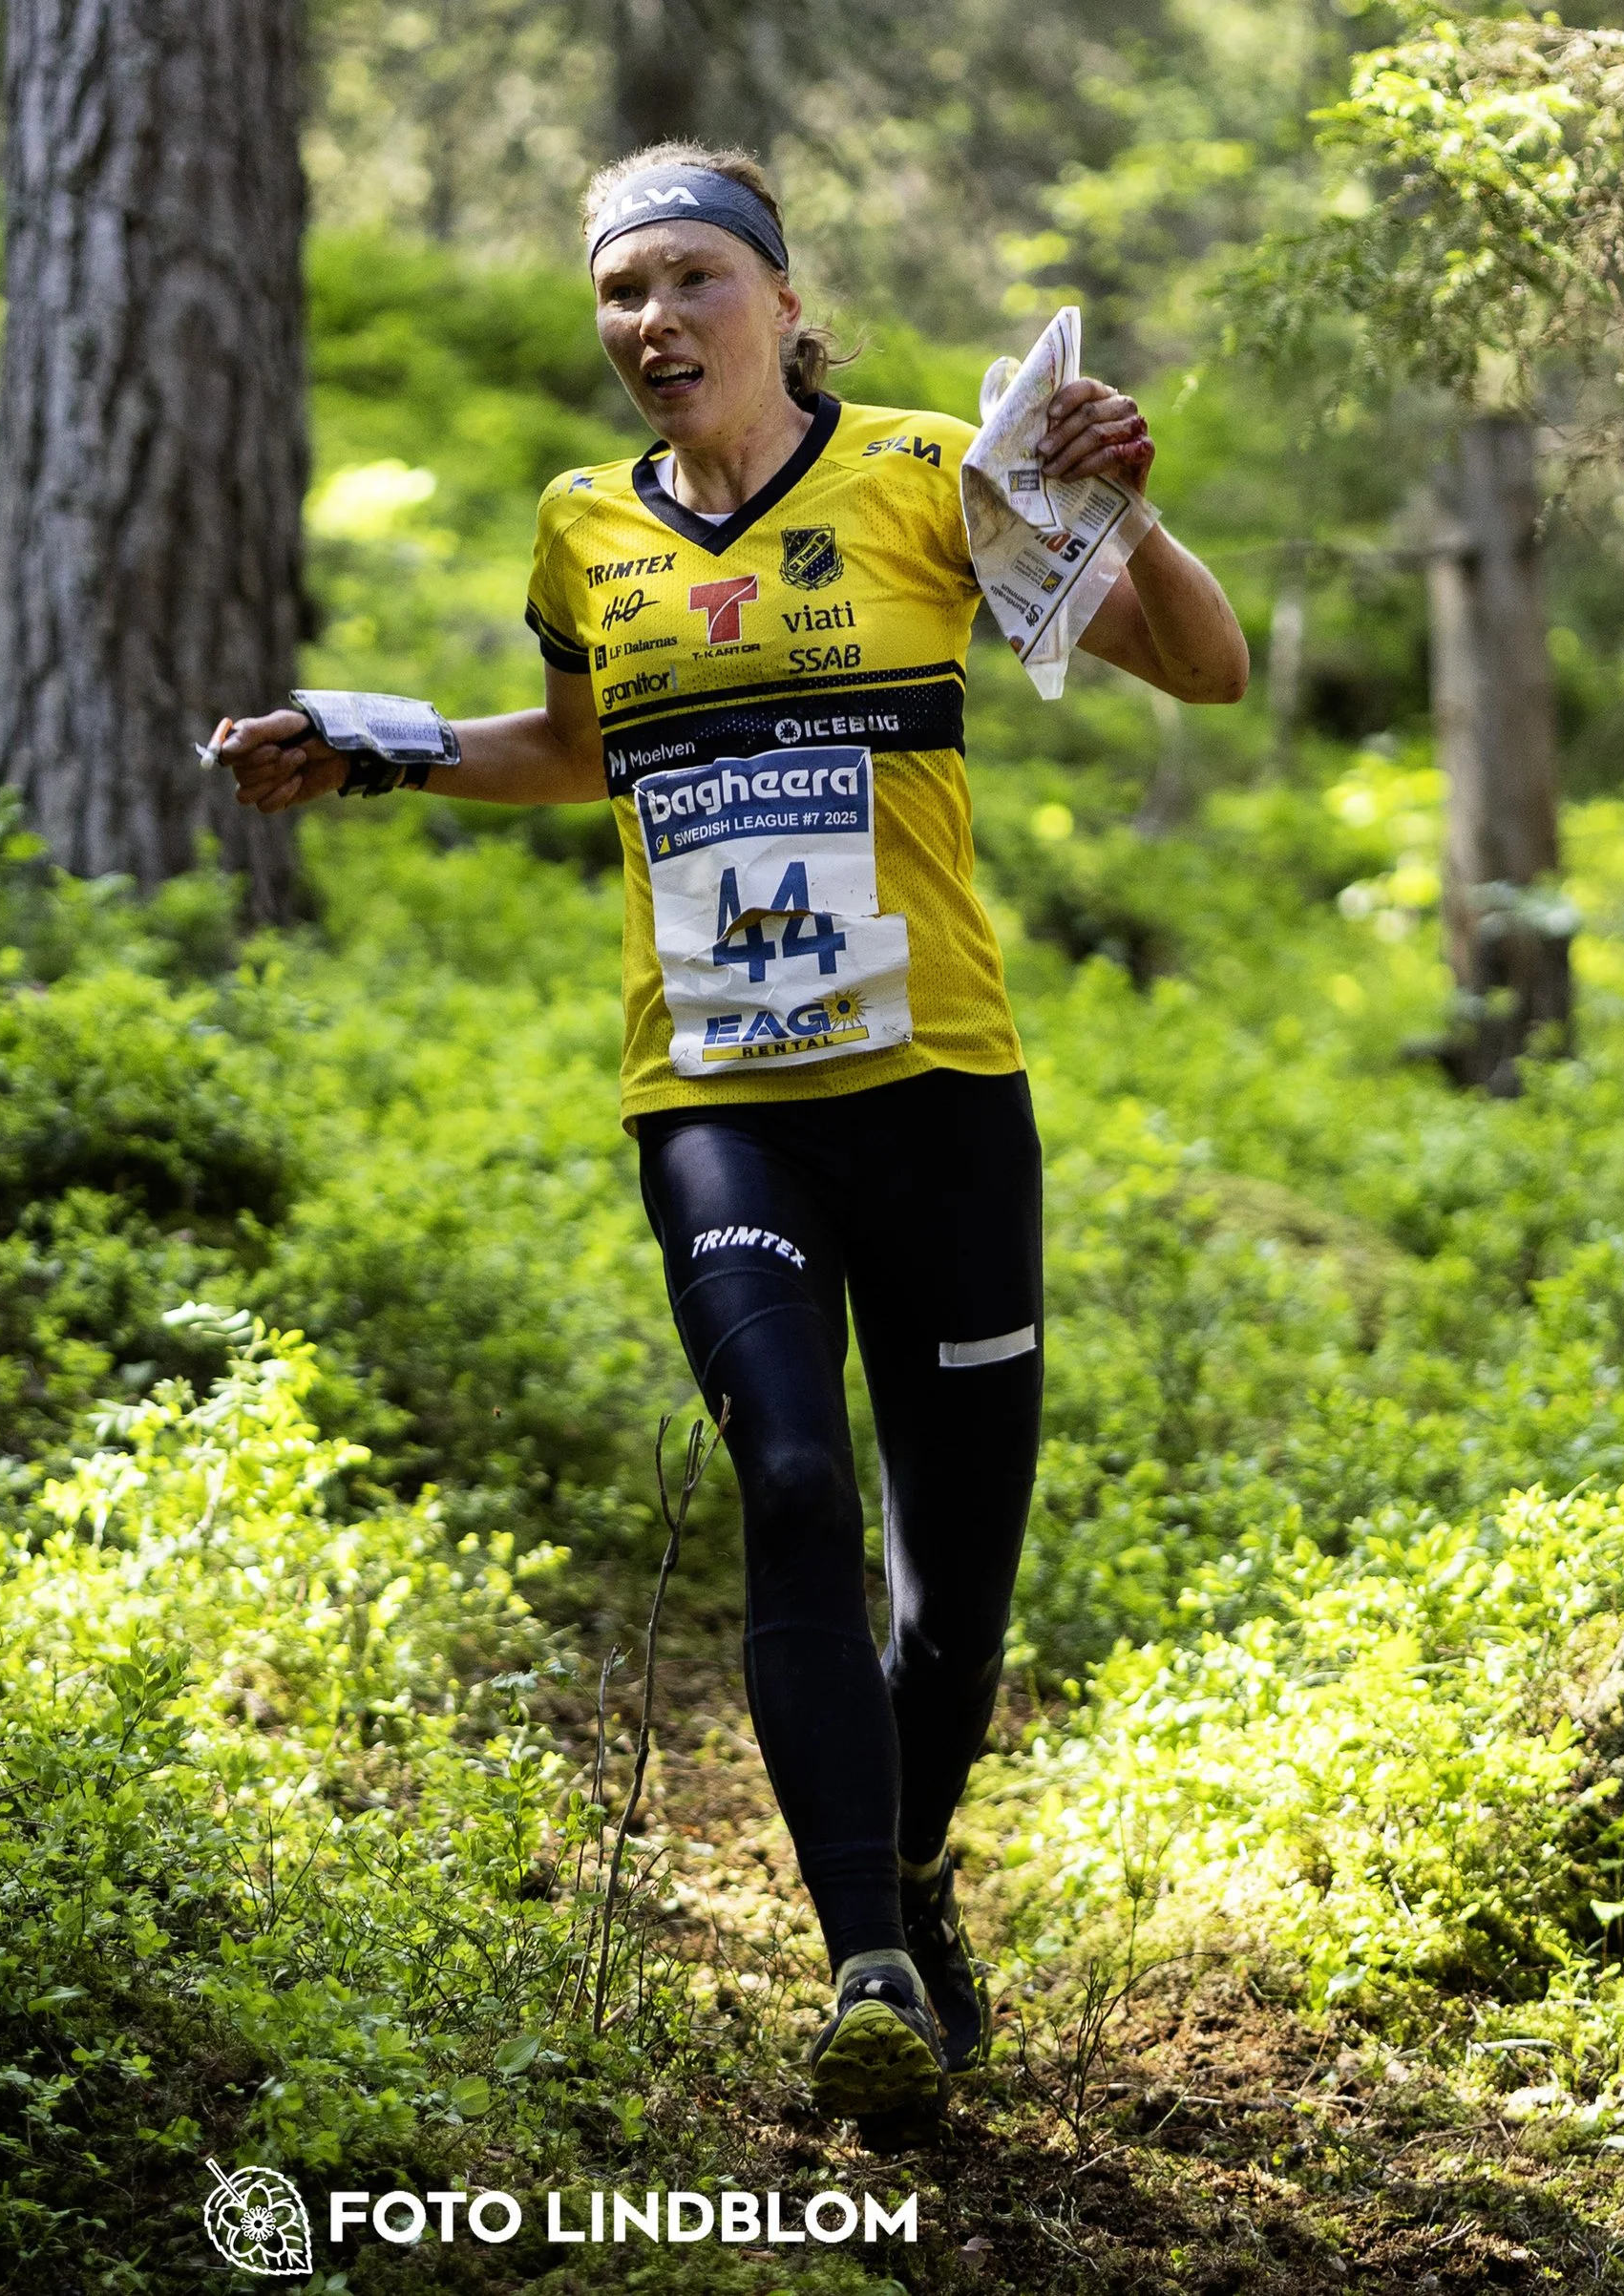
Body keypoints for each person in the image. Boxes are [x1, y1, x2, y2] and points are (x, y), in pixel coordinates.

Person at [216, 145, 1248, 2117]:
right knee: (784, 1465)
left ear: (783, 300)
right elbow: (576, 748)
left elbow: (1199, 665)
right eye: (616, 291)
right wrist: (372, 745)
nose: (649, 321)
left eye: (688, 278)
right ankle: (859, 1952)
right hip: (712, 1099)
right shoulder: (578, 525)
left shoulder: (936, 473)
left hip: (937, 1087)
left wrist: (1122, 500)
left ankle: (919, 1865)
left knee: (952, 1597)